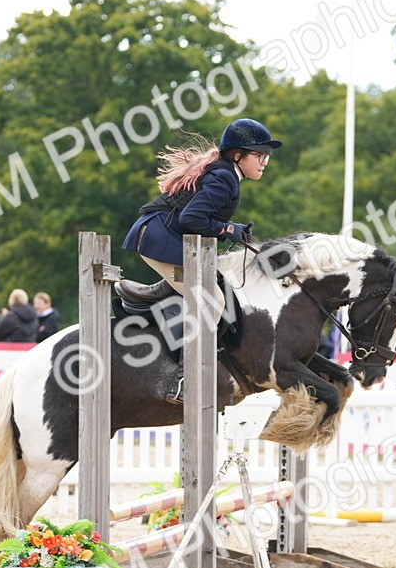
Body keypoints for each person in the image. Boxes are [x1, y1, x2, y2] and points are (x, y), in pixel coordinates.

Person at [118, 118, 278, 402]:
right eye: (259, 155)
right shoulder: (225, 178)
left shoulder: (225, 173)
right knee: (213, 301)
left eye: (266, 156)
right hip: (159, 239)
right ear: (237, 155)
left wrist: (231, 228)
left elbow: (197, 218)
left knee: (214, 285)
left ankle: (159, 295)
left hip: (159, 236)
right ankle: (184, 379)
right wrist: (228, 229)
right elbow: (191, 218)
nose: (265, 162)